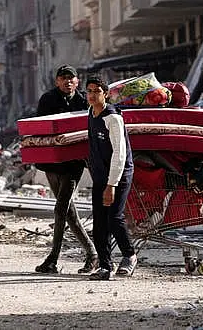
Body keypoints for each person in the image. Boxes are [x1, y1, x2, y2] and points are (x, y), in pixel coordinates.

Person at [35, 65, 98, 274]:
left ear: (77, 82)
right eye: (63, 78)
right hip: (52, 164)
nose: (67, 81)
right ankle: (92, 254)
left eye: (71, 78)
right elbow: (40, 129)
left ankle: (52, 259)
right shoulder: (47, 100)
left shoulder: (83, 101)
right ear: (57, 81)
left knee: (60, 208)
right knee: (69, 213)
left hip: (73, 164)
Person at [85, 75, 137, 280]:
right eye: (89, 91)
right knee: (99, 222)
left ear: (105, 94)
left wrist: (111, 184)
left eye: (96, 91)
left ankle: (129, 255)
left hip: (119, 174)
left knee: (114, 217)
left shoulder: (113, 118)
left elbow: (120, 154)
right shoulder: (90, 113)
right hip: (100, 174)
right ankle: (105, 266)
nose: (92, 95)